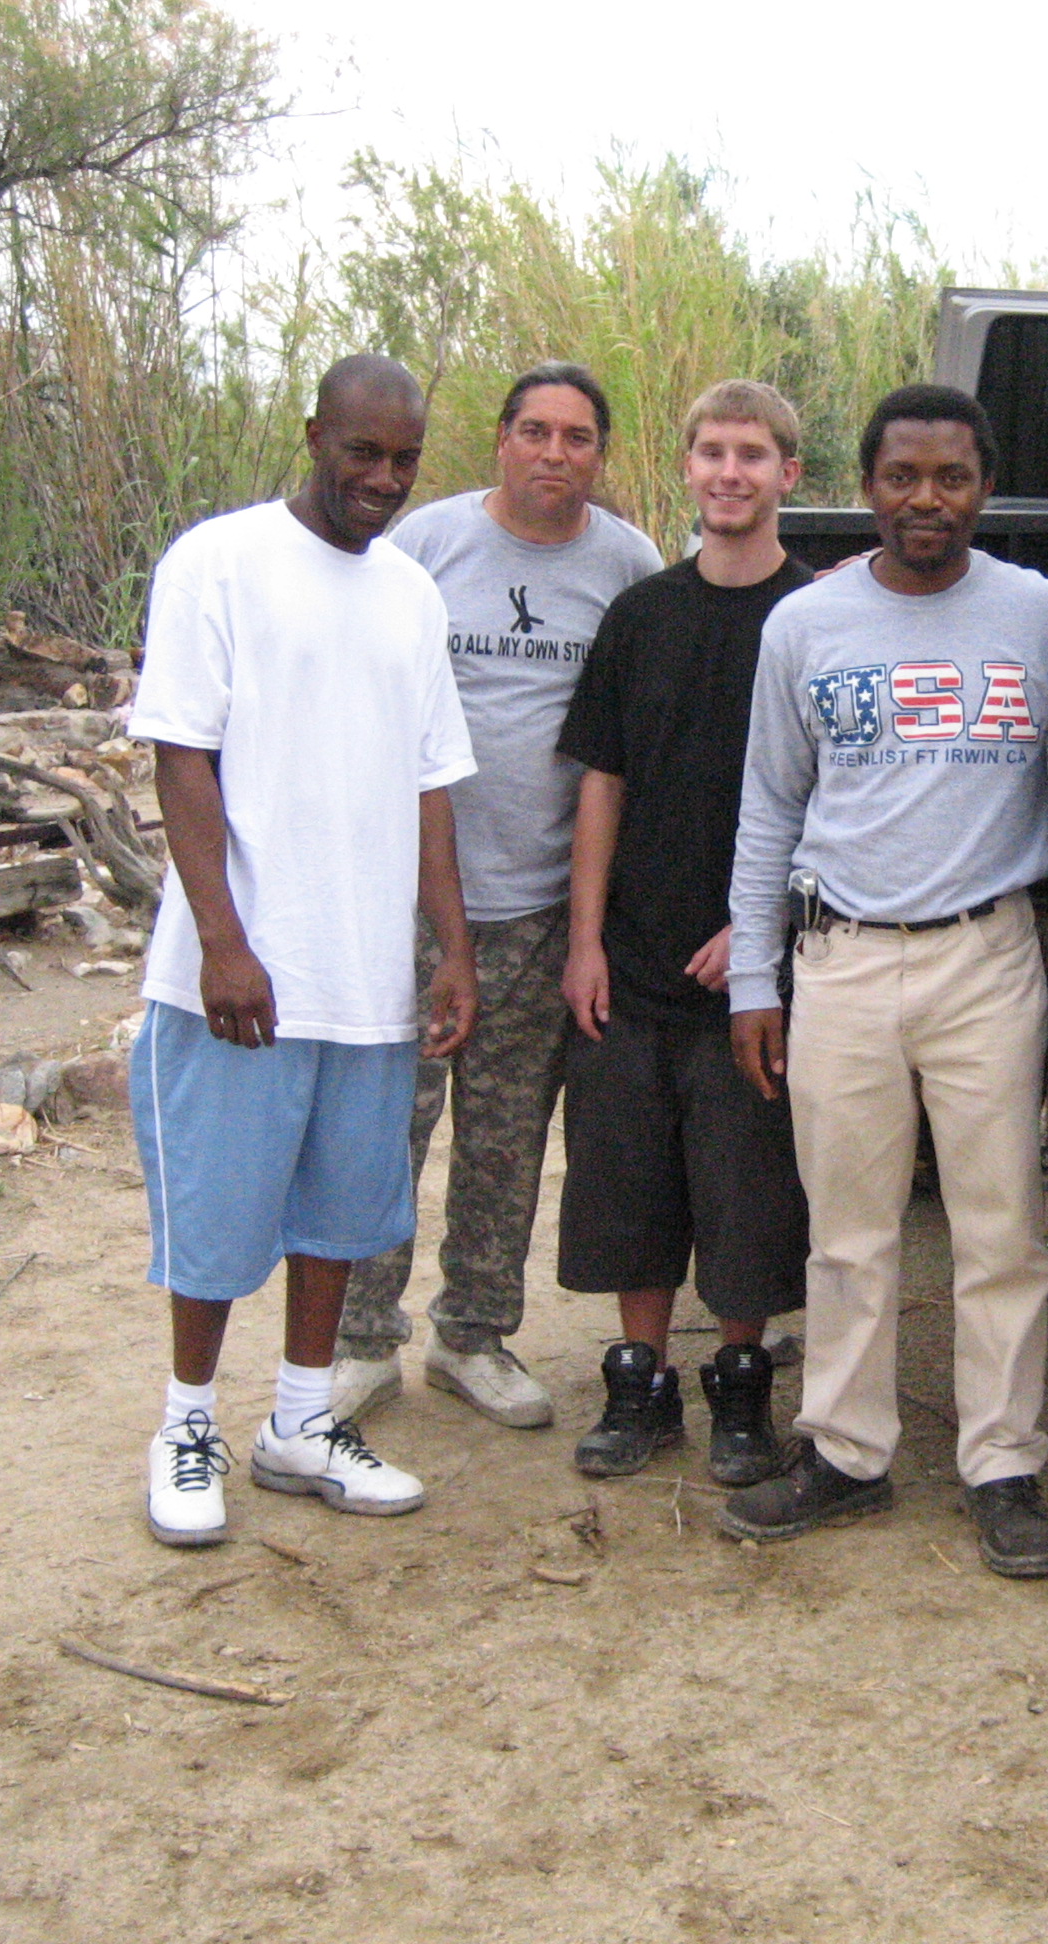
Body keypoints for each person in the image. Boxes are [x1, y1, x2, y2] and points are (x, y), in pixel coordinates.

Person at [715, 383, 1048, 1577]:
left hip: (987, 953)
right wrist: (751, 980)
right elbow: (770, 805)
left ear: (984, 488)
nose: (928, 499)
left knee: (1002, 1227)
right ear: (867, 488)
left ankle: (1004, 1463)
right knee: (850, 1229)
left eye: (953, 477)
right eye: (904, 476)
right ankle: (847, 1453)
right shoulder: (806, 627)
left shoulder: (1041, 612)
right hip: (846, 958)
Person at [133, 354, 480, 1549]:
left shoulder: (410, 594)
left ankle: (298, 1421)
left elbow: (434, 782)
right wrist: (225, 943)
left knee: (339, 1213)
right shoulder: (217, 561)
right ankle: (187, 1425)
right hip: (243, 978)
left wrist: (451, 948)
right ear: (314, 435)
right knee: (217, 1216)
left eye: (404, 460)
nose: (382, 479)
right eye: (362, 452)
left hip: (364, 977)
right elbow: (182, 755)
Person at [330, 362, 662, 1432]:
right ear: (502, 441)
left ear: (598, 456)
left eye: (576, 438)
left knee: (508, 1138)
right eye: (534, 432)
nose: (553, 455)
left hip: (542, 908)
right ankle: (356, 1340)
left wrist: (594, 927)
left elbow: (633, 743)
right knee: (386, 1127)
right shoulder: (425, 545)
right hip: (413, 907)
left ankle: (472, 1333)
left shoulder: (627, 564)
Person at [553, 381, 815, 1483]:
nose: (730, 473)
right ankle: (641, 1382)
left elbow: (833, 797)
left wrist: (755, 934)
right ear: (688, 466)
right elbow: (602, 782)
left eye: (753, 454)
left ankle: (743, 1393)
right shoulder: (642, 614)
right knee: (627, 1181)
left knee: (747, 1190)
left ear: (789, 475)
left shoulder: (815, 619)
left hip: (751, 972)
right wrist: (584, 940)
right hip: (634, 956)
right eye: (711, 452)